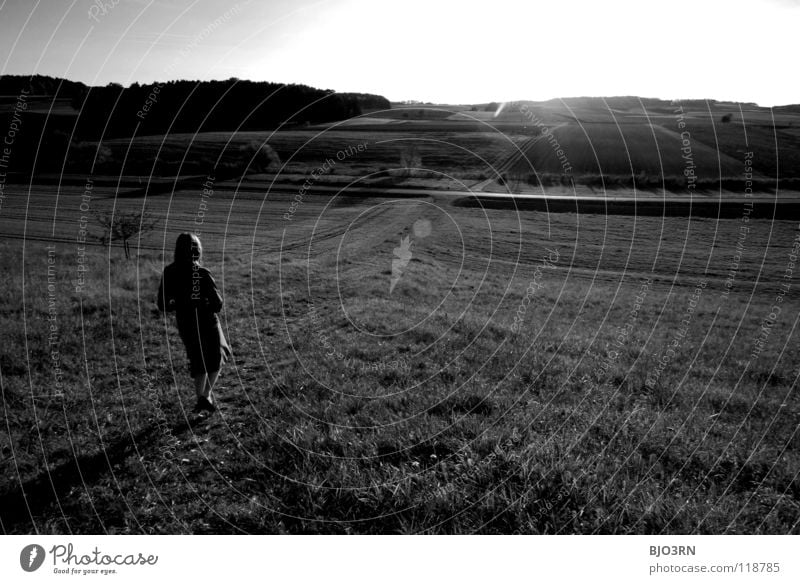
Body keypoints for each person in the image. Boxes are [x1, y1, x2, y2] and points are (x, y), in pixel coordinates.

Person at [157, 233, 231, 415]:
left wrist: (180, 304)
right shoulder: (202, 273)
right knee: (216, 358)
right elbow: (218, 304)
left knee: (197, 358)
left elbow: (162, 304)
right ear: (197, 251)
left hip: (185, 322)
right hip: (208, 322)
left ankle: (201, 398)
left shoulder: (169, 272)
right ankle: (206, 395)